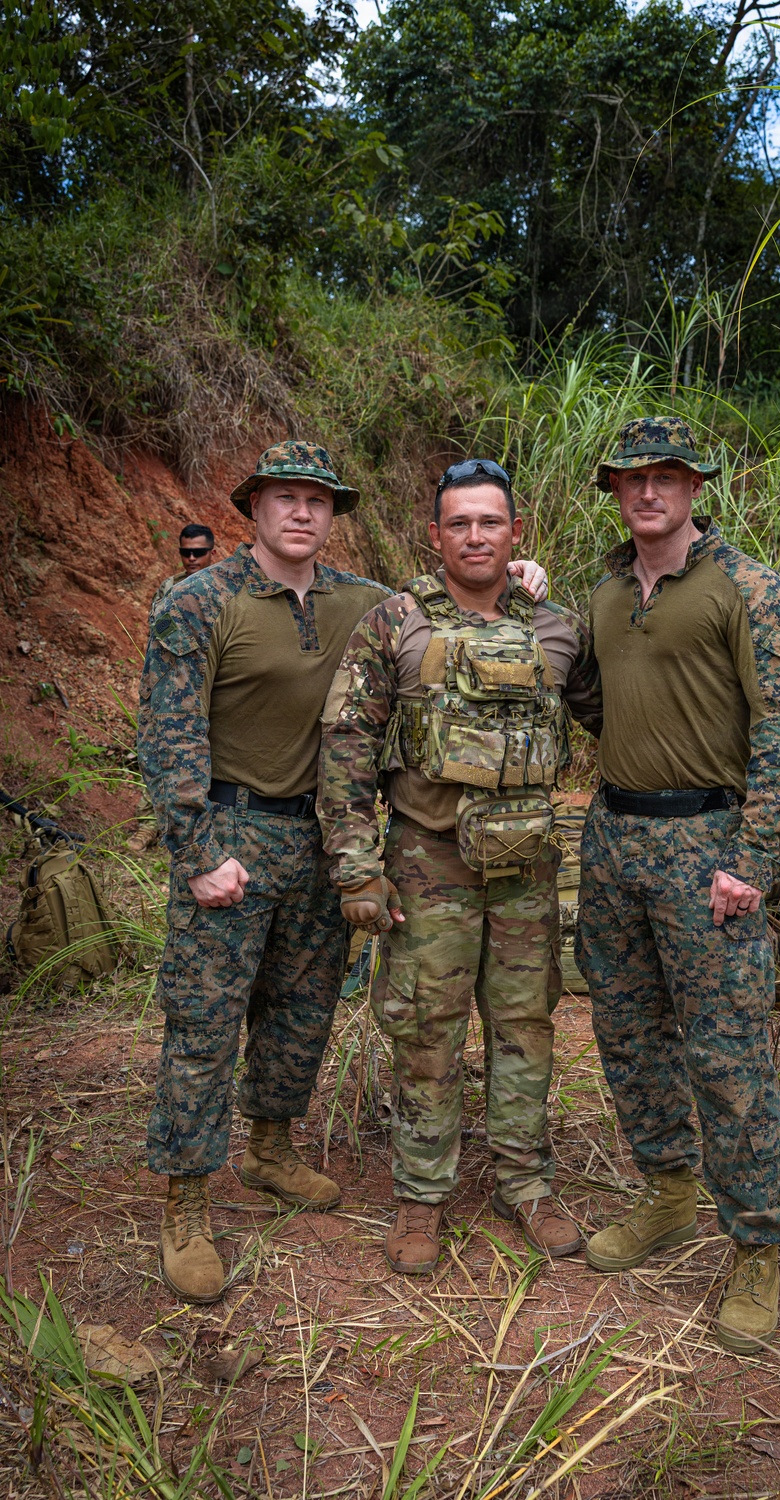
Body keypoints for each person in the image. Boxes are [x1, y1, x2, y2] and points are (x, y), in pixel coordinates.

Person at [139, 442, 548, 1305]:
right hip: (231, 828)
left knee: (301, 1011)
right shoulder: (200, 601)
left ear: (333, 516)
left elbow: (450, 601)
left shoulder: (361, 601)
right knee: (205, 1022)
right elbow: (168, 734)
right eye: (285, 498)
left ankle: (270, 1148)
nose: (301, 513)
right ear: (254, 506)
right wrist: (198, 850)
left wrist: (516, 579)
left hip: (321, 840)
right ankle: (186, 1202)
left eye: (317, 502)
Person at [318, 458, 602, 1274]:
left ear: (517, 531)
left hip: (526, 868)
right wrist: (356, 866)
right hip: (425, 862)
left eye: (490, 521)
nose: (476, 536)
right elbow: (348, 744)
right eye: (459, 523)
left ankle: (527, 1183)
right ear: (434, 534)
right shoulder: (394, 624)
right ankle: (421, 1193)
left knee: (526, 1025)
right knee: (425, 1028)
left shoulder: (559, 628)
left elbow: (612, 720)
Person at [575, 417, 780, 1353]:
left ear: (694, 488)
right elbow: (593, 702)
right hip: (614, 838)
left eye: (667, 477)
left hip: (708, 844)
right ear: (615, 489)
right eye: (633, 478)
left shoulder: (748, 590)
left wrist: (752, 860)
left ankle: (756, 1243)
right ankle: (668, 1191)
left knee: (726, 1053)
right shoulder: (606, 596)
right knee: (629, 1033)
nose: (649, 492)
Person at [148, 523, 218, 628]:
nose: (191, 558)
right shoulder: (169, 586)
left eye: (198, 552)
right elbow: (156, 626)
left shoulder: (225, 586)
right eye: (186, 552)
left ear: (212, 553)